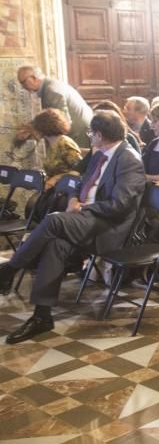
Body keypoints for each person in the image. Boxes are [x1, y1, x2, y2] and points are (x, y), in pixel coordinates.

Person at [0, 111, 145, 343]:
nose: (89, 136)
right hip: (86, 219)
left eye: (90, 133)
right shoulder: (100, 155)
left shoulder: (128, 159)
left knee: (54, 220)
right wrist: (73, 199)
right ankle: (42, 316)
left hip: (107, 228)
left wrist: (83, 209)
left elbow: (120, 206)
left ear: (98, 134)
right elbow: (81, 183)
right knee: (56, 244)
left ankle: (10, 269)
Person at [17, 65, 93, 147]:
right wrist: (30, 127)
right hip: (80, 131)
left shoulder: (51, 91)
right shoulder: (49, 86)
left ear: (34, 78)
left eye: (23, 82)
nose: (23, 87)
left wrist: (33, 131)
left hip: (79, 134)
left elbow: (60, 123)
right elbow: (50, 116)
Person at [30, 109, 81, 190]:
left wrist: (56, 178)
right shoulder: (51, 144)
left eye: (36, 129)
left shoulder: (65, 143)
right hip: (54, 188)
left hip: (66, 190)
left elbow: (80, 170)